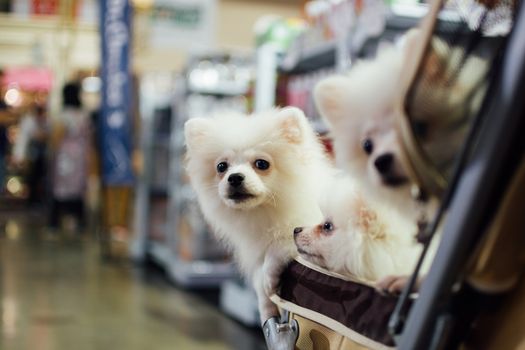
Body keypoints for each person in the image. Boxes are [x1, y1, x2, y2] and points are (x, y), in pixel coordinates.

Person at [49, 81, 91, 232]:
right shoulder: (83, 115)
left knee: (60, 188)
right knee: (78, 190)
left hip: (65, 157)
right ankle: (79, 221)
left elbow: (56, 137)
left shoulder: (63, 115)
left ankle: (55, 223)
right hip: (80, 156)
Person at [13, 103, 49, 206]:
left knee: (35, 177)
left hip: (35, 155)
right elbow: (35, 136)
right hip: (31, 155)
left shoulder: (40, 122)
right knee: (32, 177)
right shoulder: (30, 121)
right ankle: (32, 199)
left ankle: (33, 198)